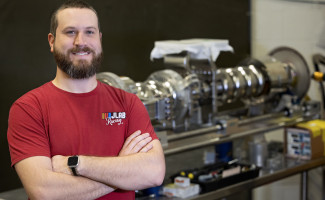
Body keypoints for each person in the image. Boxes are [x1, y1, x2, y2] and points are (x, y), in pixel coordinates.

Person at [7, 0, 165, 199]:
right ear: (51, 41)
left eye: (89, 32)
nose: (80, 41)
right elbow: (44, 192)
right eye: (70, 32)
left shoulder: (128, 103)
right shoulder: (29, 108)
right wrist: (122, 168)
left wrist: (75, 164)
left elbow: (154, 173)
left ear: (99, 39)